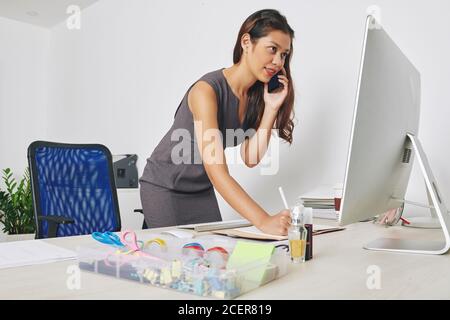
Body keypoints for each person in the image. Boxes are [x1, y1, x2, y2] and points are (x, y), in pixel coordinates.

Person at [139, 9, 295, 235]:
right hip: (165, 186)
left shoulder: (256, 97)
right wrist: (263, 221)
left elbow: (250, 158)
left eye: (284, 54)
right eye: (272, 49)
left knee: (215, 261)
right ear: (246, 42)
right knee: (179, 264)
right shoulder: (207, 91)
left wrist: (271, 109)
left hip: (201, 188)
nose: (278, 61)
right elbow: (217, 172)